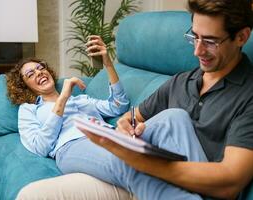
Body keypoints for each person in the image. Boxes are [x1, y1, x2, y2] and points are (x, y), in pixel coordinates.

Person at [70, 0, 253, 199]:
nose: (197, 51)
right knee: (36, 192)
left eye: (210, 41)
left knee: (173, 119)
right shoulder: (180, 82)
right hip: (139, 180)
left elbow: (231, 181)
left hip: (173, 186)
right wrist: (126, 126)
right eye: (194, 37)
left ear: (241, 37)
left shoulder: (248, 95)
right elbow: (131, 117)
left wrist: (142, 163)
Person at [6, 35, 129, 161]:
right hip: (73, 145)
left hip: (109, 135)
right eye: (31, 74)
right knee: (125, 160)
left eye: (41, 68)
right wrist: (63, 98)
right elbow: (40, 147)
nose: (39, 72)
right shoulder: (29, 109)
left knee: (149, 131)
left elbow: (119, 106)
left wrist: (107, 63)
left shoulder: (80, 100)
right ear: (24, 86)